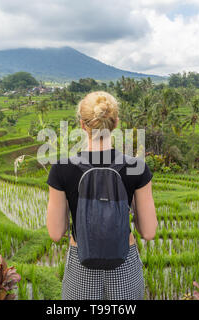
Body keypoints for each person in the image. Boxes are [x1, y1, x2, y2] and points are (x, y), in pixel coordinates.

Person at [46, 91, 157, 300]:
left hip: (81, 264)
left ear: (82, 124)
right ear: (116, 123)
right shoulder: (136, 167)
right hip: (124, 263)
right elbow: (149, 232)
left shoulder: (62, 168)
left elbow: (55, 232)